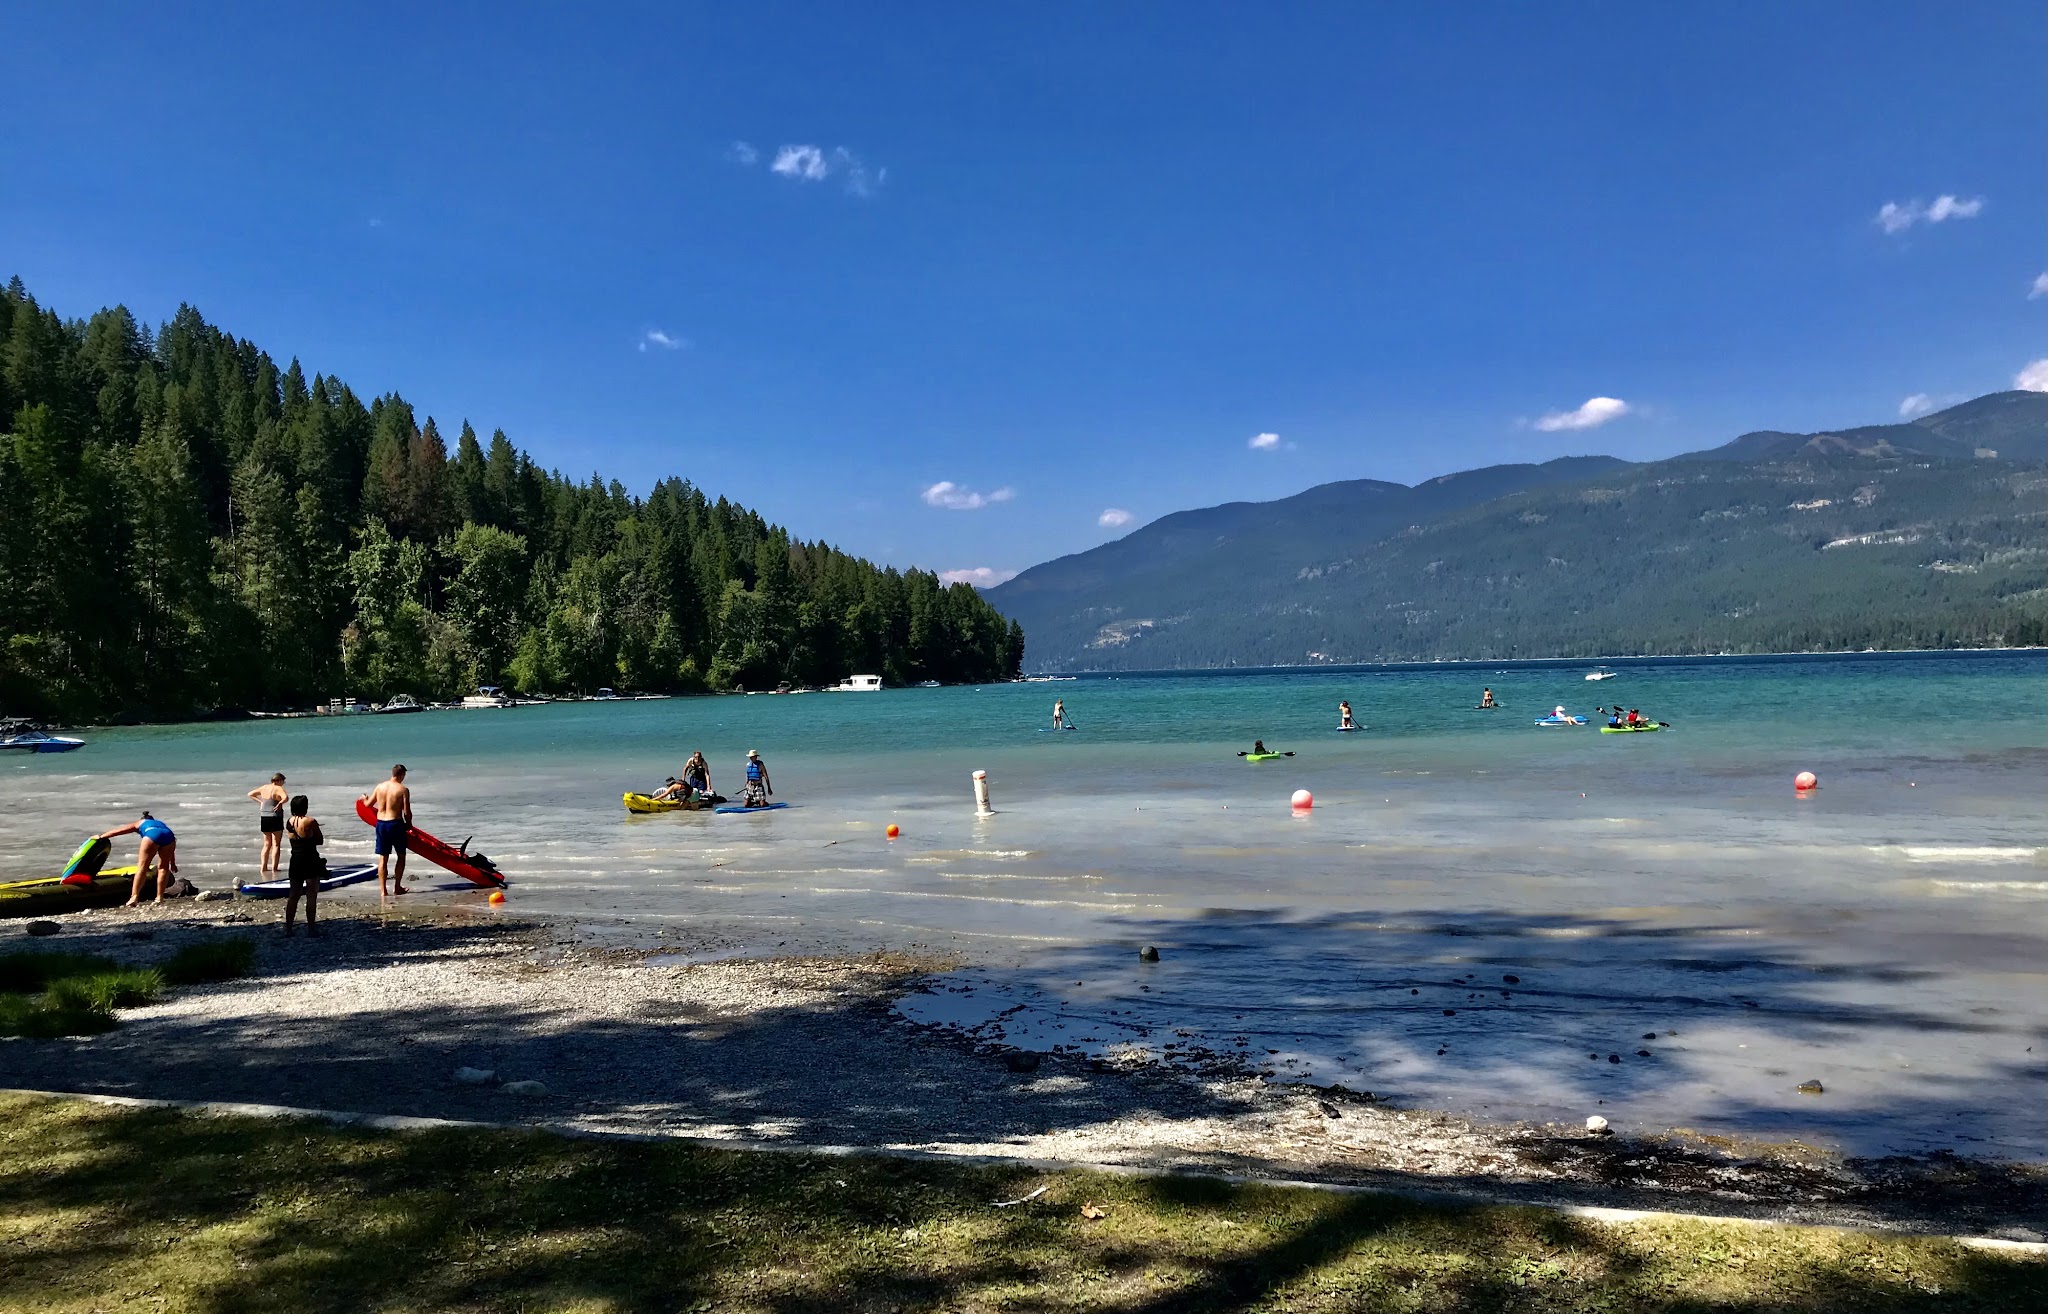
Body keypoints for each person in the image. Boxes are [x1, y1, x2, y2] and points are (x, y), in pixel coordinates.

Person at [101, 813, 178, 908]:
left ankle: (134, 897)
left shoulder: (140, 822)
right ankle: (159, 898)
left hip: (152, 834)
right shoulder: (159, 823)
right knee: (163, 867)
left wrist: (102, 836)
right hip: (169, 836)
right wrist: (173, 863)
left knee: (142, 867)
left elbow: (120, 831)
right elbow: (171, 850)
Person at [362, 764, 413, 897]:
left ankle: (383, 891)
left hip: (381, 824)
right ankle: (397, 887)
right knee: (401, 856)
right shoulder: (403, 789)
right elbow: (407, 812)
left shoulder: (380, 787)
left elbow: (368, 805)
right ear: (402, 775)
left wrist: (364, 799)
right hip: (396, 824)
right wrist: (409, 825)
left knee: (383, 858)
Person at [283, 794, 324, 937]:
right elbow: (320, 840)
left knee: (293, 895)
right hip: (310, 860)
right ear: (305, 807)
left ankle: (288, 928)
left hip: (295, 860)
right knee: (311, 895)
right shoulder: (310, 821)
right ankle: (311, 929)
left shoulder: (289, 822)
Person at [248, 772, 288, 877]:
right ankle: (274, 868)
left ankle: (263, 867)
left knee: (266, 844)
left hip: (264, 817)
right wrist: (279, 803)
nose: (283, 783)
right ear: (279, 780)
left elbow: (250, 794)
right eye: (283, 781)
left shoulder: (264, 787)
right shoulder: (278, 788)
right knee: (276, 844)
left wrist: (261, 802)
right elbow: (286, 798)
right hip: (275, 817)